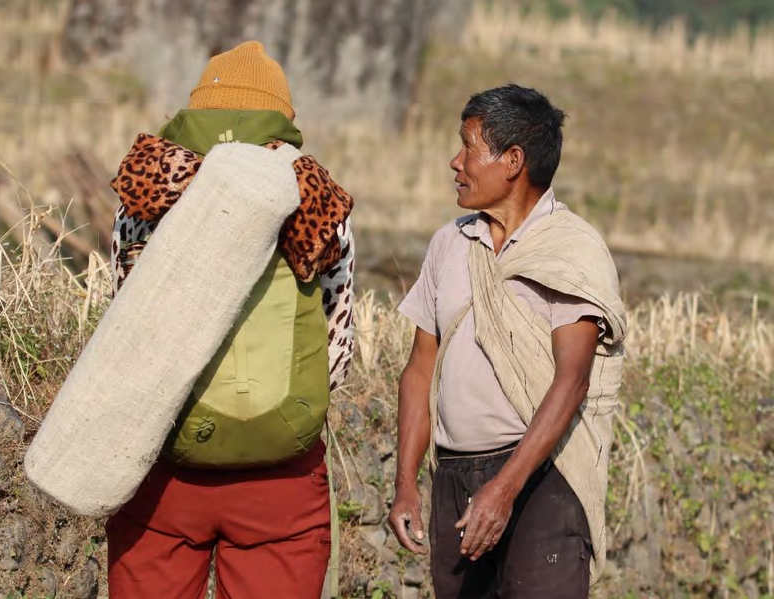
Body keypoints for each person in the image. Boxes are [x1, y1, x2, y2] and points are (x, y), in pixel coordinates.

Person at [104, 41, 355, 598]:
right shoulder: (313, 194)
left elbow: (122, 314)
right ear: (282, 117)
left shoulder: (147, 188)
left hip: (164, 463)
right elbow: (337, 339)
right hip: (279, 480)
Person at [387, 84, 627, 598]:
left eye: (468, 147)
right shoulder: (450, 243)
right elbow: (419, 371)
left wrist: (505, 488)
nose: (455, 162)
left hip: (542, 479)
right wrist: (406, 482)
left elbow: (572, 381)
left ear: (513, 160)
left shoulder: (571, 251)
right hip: (454, 477)